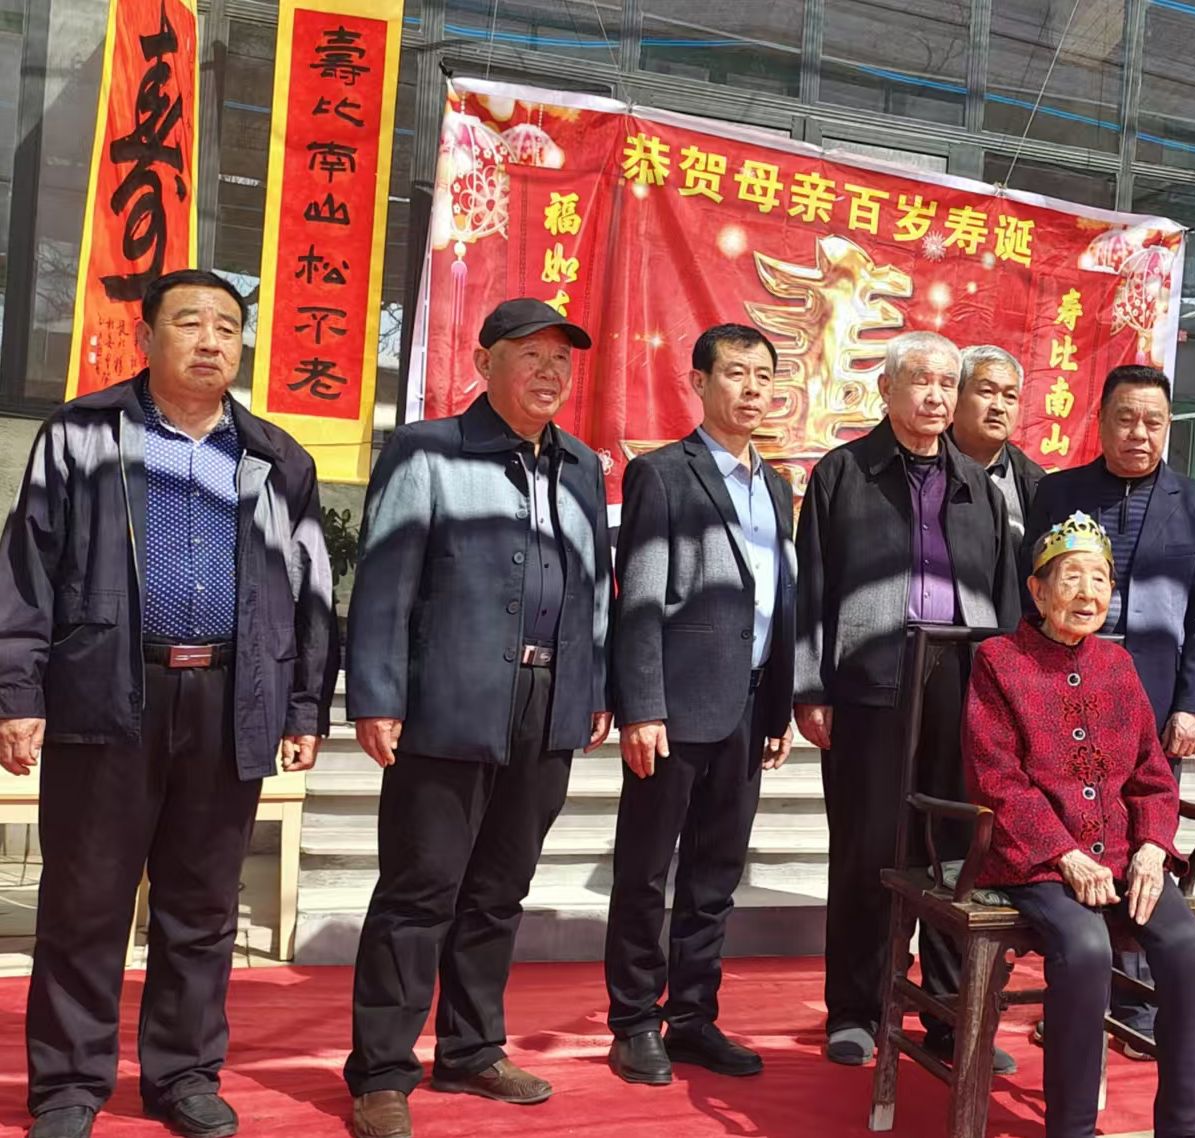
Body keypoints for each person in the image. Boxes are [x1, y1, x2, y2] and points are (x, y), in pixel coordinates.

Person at [0, 269, 337, 1138]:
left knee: (203, 905)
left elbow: (312, 594)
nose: (211, 340)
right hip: (106, 691)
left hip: (231, 696)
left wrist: (304, 706)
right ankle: (68, 1085)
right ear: (146, 337)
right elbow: (27, 569)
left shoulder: (277, 459)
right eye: (190, 323)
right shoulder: (81, 435)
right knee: (84, 902)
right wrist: (17, 691)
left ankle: (183, 1074)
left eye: (227, 325)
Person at [343, 299, 614, 1138]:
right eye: (530, 354)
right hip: (449, 701)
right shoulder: (429, 450)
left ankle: (471, 1048)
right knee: (419, 890)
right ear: (482, 361)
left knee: (500, 889)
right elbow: (384, 579)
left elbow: (593, 588)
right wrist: (376, 694)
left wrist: (594, 686)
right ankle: (382, 1073)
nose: (549, 372)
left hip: (548, 700)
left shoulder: (580, 463)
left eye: (561, 359)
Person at [794, 329, 1022, 1070]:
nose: (934, 395)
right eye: (919, 380)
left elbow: (1007, 602)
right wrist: (811, 684)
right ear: (886, 389)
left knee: (959, 853)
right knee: (867, 847)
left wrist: (1010, 698)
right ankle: (855, 1010)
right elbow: (812, 588)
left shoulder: (980, 487)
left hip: (963, 685)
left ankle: (952, 1015)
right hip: (871, 682)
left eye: (947, 383)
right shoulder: (842, 474)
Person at [965, 513, 1195, 1138]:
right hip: (1037, 859)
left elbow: (1152, 774)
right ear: (1037, 589)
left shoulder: (1118, 665)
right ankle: (1070, 1130)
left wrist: (1154, 847)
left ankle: (1183, 1128)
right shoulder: (999, 660)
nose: (1087, 592)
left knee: (1186, 949)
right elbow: (998, 779)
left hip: (1126, 856)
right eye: (1071, 577)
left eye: (1099, 579)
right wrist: (1066, 854)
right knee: (1085, 948)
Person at [604, 324, 796, 1085]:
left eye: (763, 377)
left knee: (716, 876)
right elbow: (640, 598)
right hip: (675, 709)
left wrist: (777, 709)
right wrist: (641, 707)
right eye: (736, 374)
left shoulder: (776, 486)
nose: (752, 390)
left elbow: (778, 602)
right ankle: (632, 1021)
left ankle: (692, 1017)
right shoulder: (662, 474)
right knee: (645, 872)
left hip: (748, 704)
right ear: (700, 383)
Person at [1022, 364, 1195, 1047]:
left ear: (1169, 428)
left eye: (1153, 422)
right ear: (1101, 421)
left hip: (1154, 702)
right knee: (1070, 835)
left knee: (1141, 838)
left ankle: (1133, 1005)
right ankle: (1073, 997)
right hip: (1059, 692)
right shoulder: (1058, 492)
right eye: (1126, 419)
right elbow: (1030, 589)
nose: (1140, 433)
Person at [947, 345, 1045, 543]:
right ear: (955, 397)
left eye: (1010, 396)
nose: (999, 407)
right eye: (987, 392)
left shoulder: (1035, 483)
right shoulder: (921, 464)